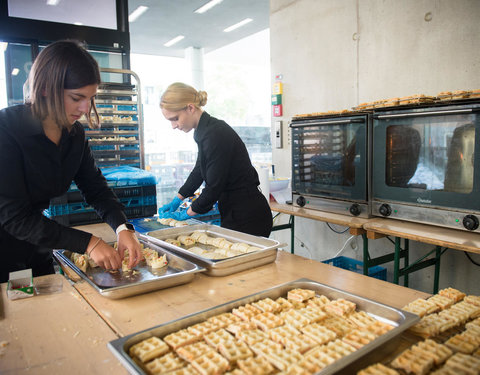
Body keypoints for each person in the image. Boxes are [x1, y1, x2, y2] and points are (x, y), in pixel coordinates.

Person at [0, 40, 142, 283]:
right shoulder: (6, 129)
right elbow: (14, 217)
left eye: (90, 98)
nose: (85, 108)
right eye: (77, 98)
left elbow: (95, 188)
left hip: (37, 242)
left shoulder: (74, 135)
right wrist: (89, 242)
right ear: (45, 89)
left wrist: (122, 228)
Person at [158, 82, 273, 237]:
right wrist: (179, 197)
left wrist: (187, 213)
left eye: (175, 118)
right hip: (234, 210)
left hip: (247, 215)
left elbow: (214, 187)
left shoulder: (215, 133)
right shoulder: (204, 131)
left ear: (190, 108)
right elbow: (199, 169)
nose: (173, 126)